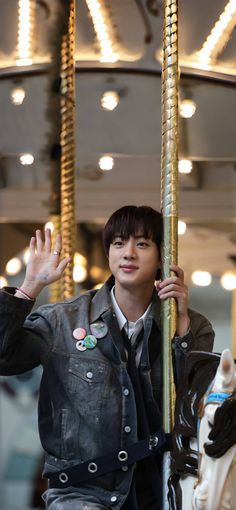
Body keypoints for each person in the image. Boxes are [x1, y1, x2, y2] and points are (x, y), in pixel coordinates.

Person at [0, 205, 214, 510]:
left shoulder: (194, 326)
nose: (128, 253)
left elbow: (198, 407)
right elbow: (4, 357)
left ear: (162, 257)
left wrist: (181, 333)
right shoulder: (64, 320)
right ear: (109, 253)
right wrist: (29, 287)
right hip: (82, 493)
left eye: (142, 244)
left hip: (160, 490)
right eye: (118, 243)